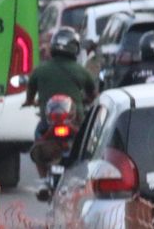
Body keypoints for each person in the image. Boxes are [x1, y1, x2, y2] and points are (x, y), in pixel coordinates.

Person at [23, 26, 98, 183]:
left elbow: (30, 94)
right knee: (90, 144)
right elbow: (93, 95)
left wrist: (31, 102)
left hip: (47, 122)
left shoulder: (40, 70)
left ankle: (43, 180)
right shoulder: (81, 71)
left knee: (38, 138)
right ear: (75, 48)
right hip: (77, 122)